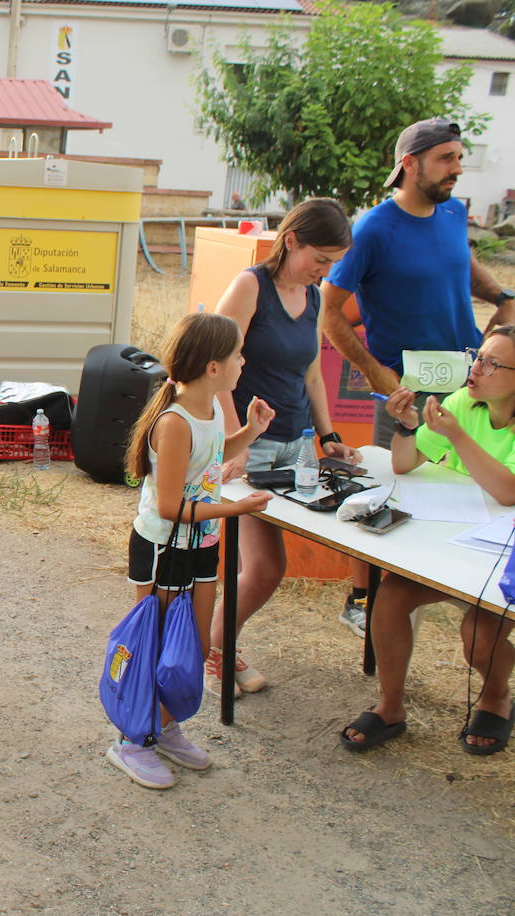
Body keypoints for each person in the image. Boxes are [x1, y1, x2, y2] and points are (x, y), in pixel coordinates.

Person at [322, 117, 515, 637]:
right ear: (409, 164)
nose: (457, 168)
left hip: (470, 380)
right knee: (391, 496)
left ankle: (455, 589)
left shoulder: (453, 212)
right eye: (446, 158)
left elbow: (462, 260)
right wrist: (377, 374)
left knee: (466, 494)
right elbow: (331, 312)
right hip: (408, 389)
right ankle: (363, 599)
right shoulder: (373, 229)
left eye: (458, 156)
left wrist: (500, 296)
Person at [106, 312, 275, 790]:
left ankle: (165, 726)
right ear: (214, 367)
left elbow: (212, 458)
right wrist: (235, 507)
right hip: (165, 546)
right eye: (238, 354)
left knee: (193, 648)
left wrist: (253, 433)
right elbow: (170, 505)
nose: (245, 361)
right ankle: (132, 741)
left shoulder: (213, 408)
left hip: (200, 544)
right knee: (154, 647)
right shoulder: (174, 421)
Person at [205, 199, 360, 698]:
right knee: (266, 567)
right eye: (321, 257)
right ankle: (215, 649)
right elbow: (216, 365)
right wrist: (238, 441)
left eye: (333, 262)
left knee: (272, 563)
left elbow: (311, 371)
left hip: (297, 444)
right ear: (291, 239)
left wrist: (329, 434)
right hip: (256, 443)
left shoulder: (312, 294)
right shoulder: (251, 286)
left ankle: (214, 645)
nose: (325, 270)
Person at [340, 326, 515, 755]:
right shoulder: (464, 402)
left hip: (503, 559)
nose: (476, 368)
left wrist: (456, 437)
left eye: (493, 363)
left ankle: (496, 698)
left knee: (478, 630)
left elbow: (509, 491)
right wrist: (405, 425)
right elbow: (403, 463)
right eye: (479, 356)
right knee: (391, 599)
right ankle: (391, 707)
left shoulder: (467, 418)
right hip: (456, 542)